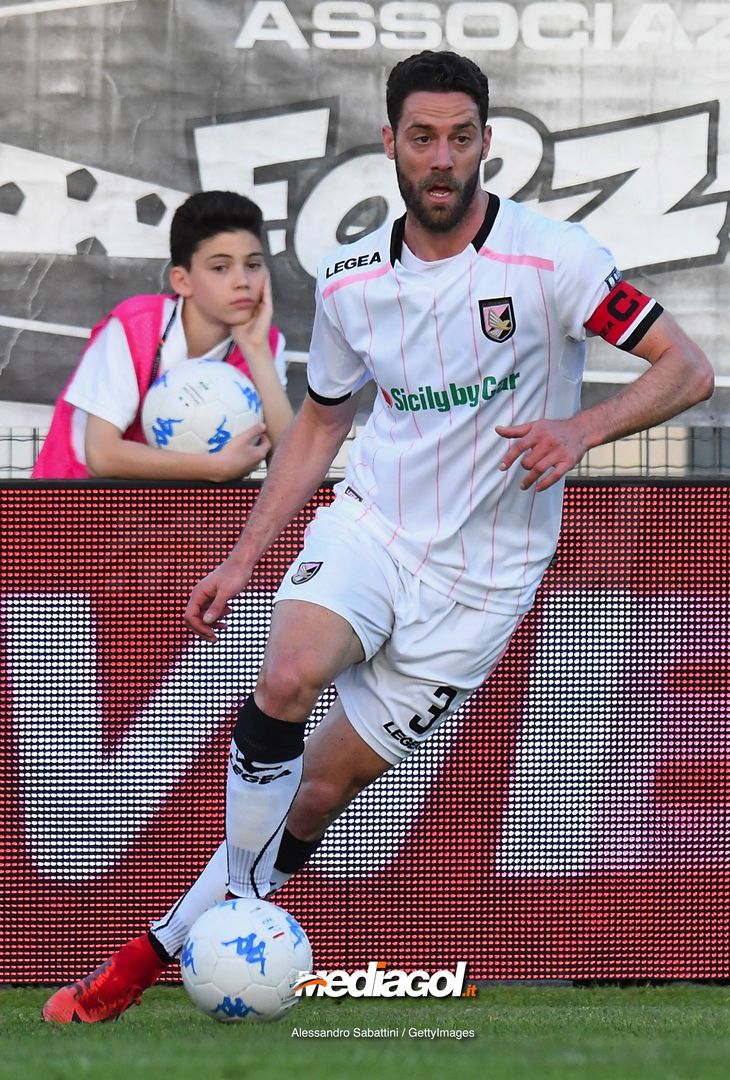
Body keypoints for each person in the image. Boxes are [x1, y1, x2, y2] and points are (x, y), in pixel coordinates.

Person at [42, 50, 713, 1023]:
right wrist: (242, 556)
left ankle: (161, 944)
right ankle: (217, 923)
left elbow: (684, 368)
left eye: (460, 137)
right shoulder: (355, 278)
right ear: (389, 145)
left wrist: (580, 428)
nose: (441, 158)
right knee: (284, 677)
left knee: (316, 796)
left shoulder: (553, 259)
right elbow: (319, 423)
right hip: (375, 528)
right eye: (421, 138)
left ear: (486, 144)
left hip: (487, 580)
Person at [32, 191, 293, 480]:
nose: (243, 282)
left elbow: (290, 465)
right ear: (182, 280)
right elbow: (102, 455)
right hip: (76, 509)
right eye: (221, 268)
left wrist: (256, 350)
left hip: (176, 518)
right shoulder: (134, 326)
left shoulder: (265, 340)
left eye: (253, 265)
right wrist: (216, 468)